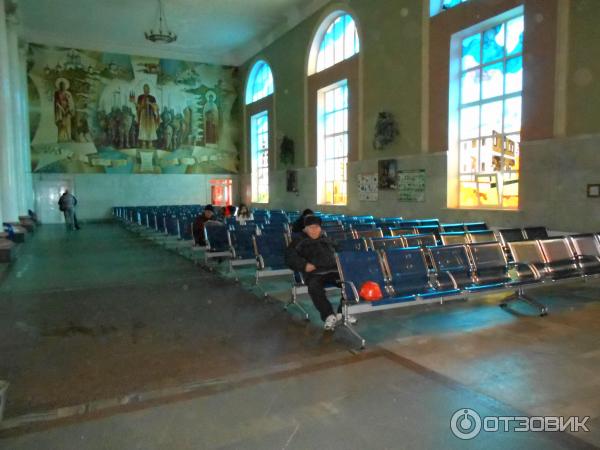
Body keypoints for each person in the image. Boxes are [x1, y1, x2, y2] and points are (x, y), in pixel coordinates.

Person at [285, 215, 355, 330]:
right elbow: (290, 257)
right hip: (315, 273)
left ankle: (342, 312)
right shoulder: (298, 242)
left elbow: (342, 251)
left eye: (316, 227)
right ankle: (328, 315)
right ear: (305, 229)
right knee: (314, 286)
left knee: (350, 281)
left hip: (333, 271)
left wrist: (344, 261)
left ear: (320, 228)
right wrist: (304, 265)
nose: (314, 230)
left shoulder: (327, 240)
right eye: (311, 227)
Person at [130, 84, 160, 148]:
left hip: (150, 115)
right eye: (145, 89)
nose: (146, 90)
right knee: (143, 128)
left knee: (151, 128)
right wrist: (134, 102)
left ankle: (150, 143)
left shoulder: (152, 98)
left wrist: (150, 103)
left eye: (147, 89)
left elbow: (156, 107)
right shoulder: (140, 97)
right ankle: (143, 143)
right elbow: (139, 107)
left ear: (149, 90)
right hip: (143, 115)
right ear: (143, 90)